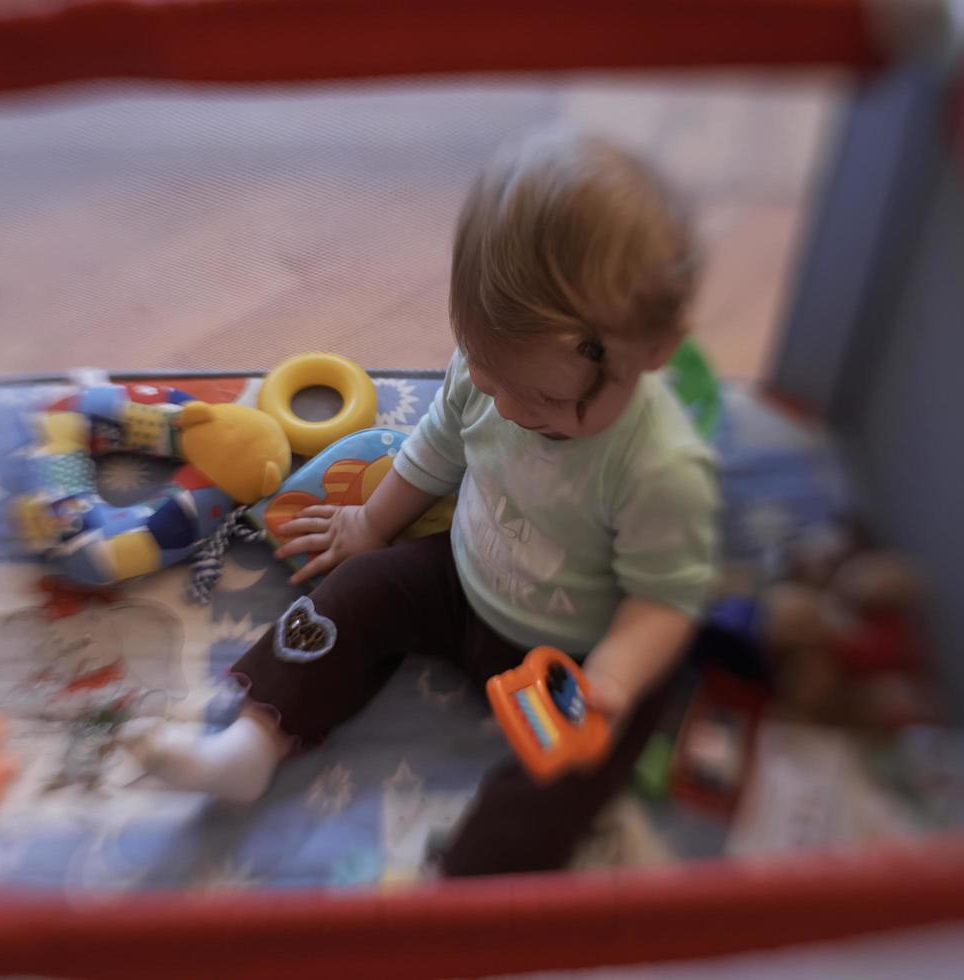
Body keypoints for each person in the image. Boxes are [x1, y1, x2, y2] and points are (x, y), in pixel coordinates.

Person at [123, 129, 720, 876]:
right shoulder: (489, 374)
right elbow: (438, 445)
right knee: (357, 589)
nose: (503, 407)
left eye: (536, 397)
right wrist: (369, 523)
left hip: (571, 652)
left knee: (577, 771)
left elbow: (664, 600)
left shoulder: (660, 467)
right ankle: (249, 745)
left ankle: (465, 896)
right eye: (487, 373)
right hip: (463, 581)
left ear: (653, 352)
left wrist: (610, 685)